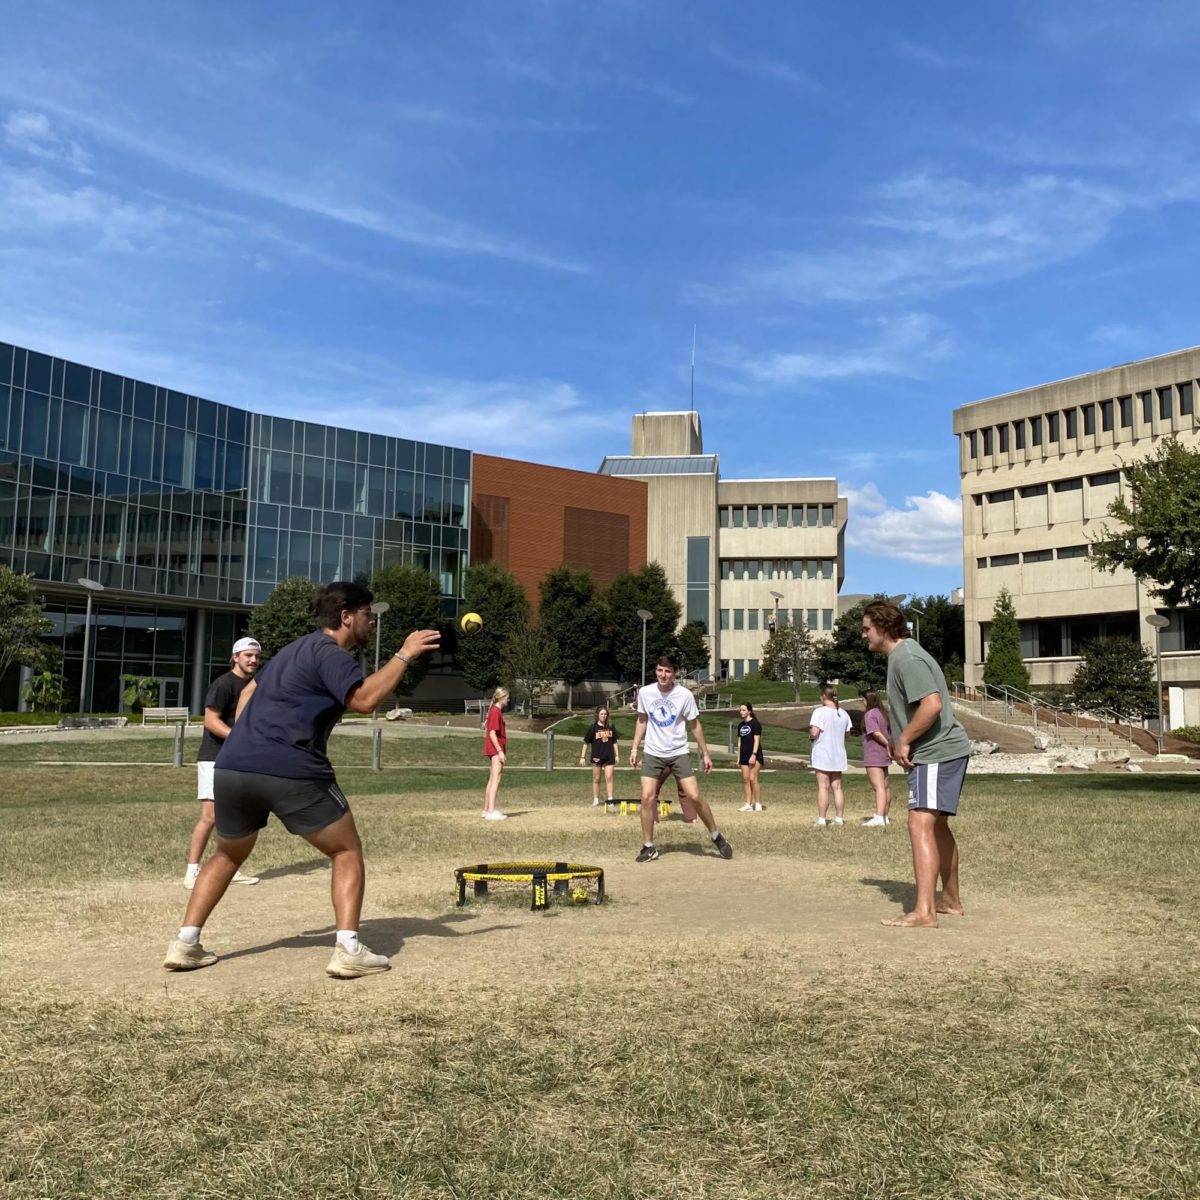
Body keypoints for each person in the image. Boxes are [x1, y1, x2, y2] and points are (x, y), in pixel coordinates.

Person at [162, 581, 440, 978]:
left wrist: (251, 736)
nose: (371, 622)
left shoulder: (294, 649)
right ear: (346, 616)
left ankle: (185, 944)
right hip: (290, 767)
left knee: (226, 854)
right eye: (367, 614)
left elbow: (248, 694)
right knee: (346, 851)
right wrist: (404, 654)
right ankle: (348, 950)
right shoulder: (333, 654)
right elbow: (363, 701)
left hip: (233, 765)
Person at [862, 600, 971, 928]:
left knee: (918, 823)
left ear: (883, 627)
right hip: (946, 751)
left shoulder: (906, 657)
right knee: (936, 825)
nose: (864, 635)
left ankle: (925, 912)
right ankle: (950, 900)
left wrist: (905, 739)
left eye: (867, 629)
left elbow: (932, 705)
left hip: (936, 753)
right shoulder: (903, 655)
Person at [627, 656, 732, 863]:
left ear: (674, 673)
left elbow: (695, 725)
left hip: (678, 751)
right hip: (653, 751)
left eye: (667, 671)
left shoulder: (684, 695)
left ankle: (716, 835)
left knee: (694, 795)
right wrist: (633, 748)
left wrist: (705, 753)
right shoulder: (646, 693)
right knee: (647, 797)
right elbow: (642, 720)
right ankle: (648, 847)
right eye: (659, 670)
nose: (662, 675)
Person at [186, 637, 263, 890]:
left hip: (239, 759)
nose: (253, 660)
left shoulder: (256, 685)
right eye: (247, 655)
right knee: (210, 817)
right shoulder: (223, 684)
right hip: (214, 757)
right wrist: (238, 738)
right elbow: (210, 721)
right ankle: (192, 871)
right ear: (235, 657)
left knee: (236, 816)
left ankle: (230, 868)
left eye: (256, 656)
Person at [809, 686, 852, 826]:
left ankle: (822, 819)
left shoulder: (819, 712)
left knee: (823, 787)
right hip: (838, 754)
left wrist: (810, 736)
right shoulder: (843, 713)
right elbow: (847, 734)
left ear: (823, 696)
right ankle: (839, 818)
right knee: (837, 787)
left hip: (823, 752)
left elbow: (814, 732)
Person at [860, 690, 893, 827]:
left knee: (878, 787)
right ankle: (884, 816)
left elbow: (876, 733)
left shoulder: (870, 714)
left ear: (868, 700)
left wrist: (887, 744)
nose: (862, 701)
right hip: (883, 755)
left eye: (863, 699)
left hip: (874, 754)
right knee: (885, 786)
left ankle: (879, 817)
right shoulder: (883, 714)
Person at [579, 705, 618, 806]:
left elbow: (614, 742)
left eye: (605, 714)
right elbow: (585, 743)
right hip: (597, 756)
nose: (603, 716)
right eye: (602, 714)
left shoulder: (610, 726)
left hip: (609, 756)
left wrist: (617, 755)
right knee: (596, 779)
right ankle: (596, 799)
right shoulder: (593, 728)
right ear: (597, 715)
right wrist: (582, 757)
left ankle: (610, 800)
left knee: (609, 777)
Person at [482, 686, 509, 820]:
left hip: (495, 748)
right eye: (507, 697)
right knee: (496, 779)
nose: (508, 700)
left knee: (492, 778)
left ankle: (487, 810)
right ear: (502, 697)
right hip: (495, 749)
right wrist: (500, 751)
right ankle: (491, 811)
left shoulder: (495, 711)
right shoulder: (495, 712)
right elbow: (492, 733)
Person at [737, 702, 765, 811]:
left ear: (749, 711)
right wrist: (738, 757)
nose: (741, 712)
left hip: (755, 755)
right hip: (743, 755)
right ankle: (748, 804)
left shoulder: (755, 724)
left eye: (743, 710)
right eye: (740, 710)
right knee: (746, 779)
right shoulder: (740, 725)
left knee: (753, 778)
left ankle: (758, 803)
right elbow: (739, 742)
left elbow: (757, 740)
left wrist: (753, 755)